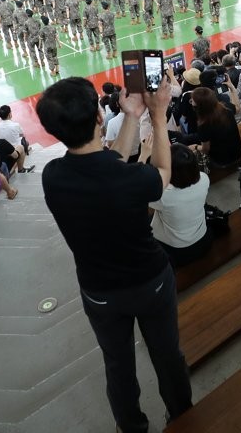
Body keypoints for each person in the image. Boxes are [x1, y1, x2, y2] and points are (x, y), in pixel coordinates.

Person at [37, 76, 192, 433]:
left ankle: (131, 426)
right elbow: (164, 172)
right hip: (150, 281)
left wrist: (132, 116)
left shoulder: (53, 176)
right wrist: (156, 115)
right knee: (167, 355)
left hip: (100, 290)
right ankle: (183, 416)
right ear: (97, 118)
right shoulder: (135, 179)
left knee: (118, 364)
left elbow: (110, 161)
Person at [145, 143, 211, 267]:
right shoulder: (204, 179)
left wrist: (144, 156)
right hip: (202, 239)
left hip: (176, 250)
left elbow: (139, 191)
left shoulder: (163, 195)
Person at [190, 87, 241, 168]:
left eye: (192, 101)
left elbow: (205, 150)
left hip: (223, 161)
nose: (191, 101)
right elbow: (238, 108)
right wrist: (232, 88)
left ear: (200, 106)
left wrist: (195, 146)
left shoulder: (203, 125)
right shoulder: (226, 108)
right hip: (239, 153)